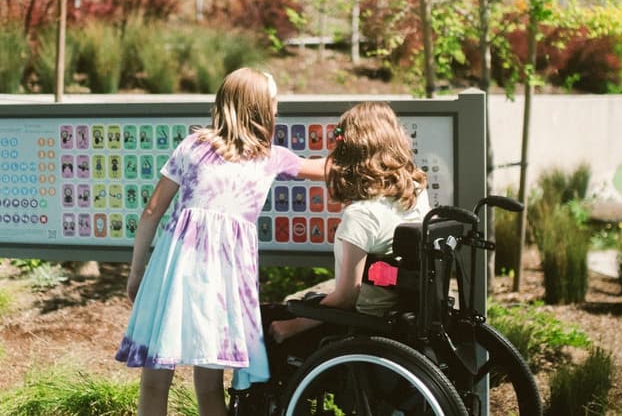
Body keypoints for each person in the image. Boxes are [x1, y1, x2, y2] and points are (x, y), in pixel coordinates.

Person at [115, 67, 326, 416]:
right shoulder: (269, 157)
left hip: (172, 274)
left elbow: (152, 211)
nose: (277, 110)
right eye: (274, 102)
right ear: (258, 108)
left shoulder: (194, 145)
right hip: (221, 285)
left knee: (154, 382)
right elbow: (325, 169)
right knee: (210, 386)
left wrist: (137, 274)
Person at [268, 101, 429, 343]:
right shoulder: (415, 190)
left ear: (350, 152)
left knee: (268, 317)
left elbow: (345, 298)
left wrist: (290, 327)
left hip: (364, 323)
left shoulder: (362, 216)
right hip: (403, 315)